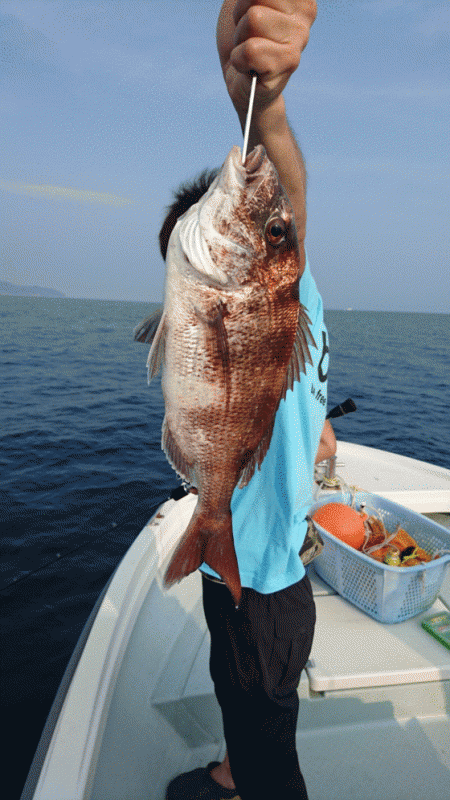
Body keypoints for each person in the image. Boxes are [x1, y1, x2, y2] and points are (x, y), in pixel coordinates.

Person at [165, 2, 332, 798]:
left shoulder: (277, 281)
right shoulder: (303, 307)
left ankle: (252, 779)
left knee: (273, 752)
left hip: (261, 584)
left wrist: (260, 106)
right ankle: (236, 767)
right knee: (250, 702)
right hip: (274, 575)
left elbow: (285, 191)